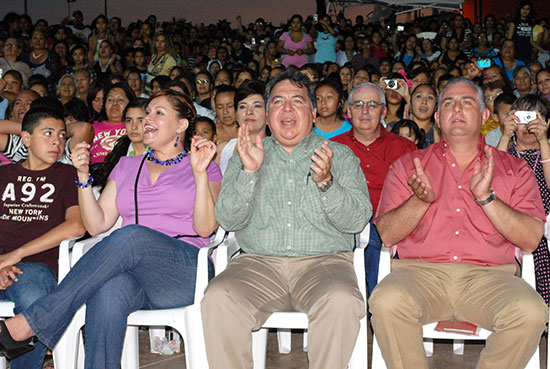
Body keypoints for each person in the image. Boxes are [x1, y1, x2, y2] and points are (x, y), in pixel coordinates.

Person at [0, 89, 221, 369]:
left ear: (181, 125)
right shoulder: (127, 165)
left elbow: (205, 229)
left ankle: (37, 320)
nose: (147, 119)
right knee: (109, 291)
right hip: (135, 272)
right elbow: (97, 224)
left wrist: (199, 174)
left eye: (158, 113)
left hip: (184, 271)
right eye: (147, 112)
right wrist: (82, 177)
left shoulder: (204, 165)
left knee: (133, 235)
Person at [370, 77, 548, 369]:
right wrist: (420, 201)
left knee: (530, 312)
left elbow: (530, 239)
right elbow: (387, 235)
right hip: (420, 275)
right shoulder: (409, 165)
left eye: (467, 102)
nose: (457, 109)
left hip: (490, 279)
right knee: (387, 302)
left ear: (485, 116)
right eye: (448, 103)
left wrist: (487, 198)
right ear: (438, 118)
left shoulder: (514, 169)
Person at [201, 69, 370, 369]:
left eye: (297, 100)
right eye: (278, 101)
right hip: (259, 265)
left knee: (341, 300)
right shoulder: (246, 153)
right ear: (267, 114)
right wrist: (249, 174)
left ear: (314, 112)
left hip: (324, 264)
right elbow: (226, 218)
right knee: (219, 297)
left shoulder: (341, 156)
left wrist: (327, 182)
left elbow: (357, 221)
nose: (288, 108)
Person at [0, 107, 84, 368]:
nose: (57, 141)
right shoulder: (3, 176)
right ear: (26, 138)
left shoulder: (67, 175)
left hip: (36, 267)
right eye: (47, 134)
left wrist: (16, 255)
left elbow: (76, 226)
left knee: (36, 301)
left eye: (61, 135)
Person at [332, 82, 416, 295]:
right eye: (358, 105)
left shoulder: (404, 148)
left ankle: (376, 302)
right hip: (346, 222)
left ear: (384, 110)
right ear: (349, 111)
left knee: (376, 235)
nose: (365, 111)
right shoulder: (332, 148)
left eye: (372, 104)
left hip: (388, 220)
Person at [496, 94, 550, 304]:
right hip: (508, 224)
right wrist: (505, 135)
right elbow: (493, 181)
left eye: (534, 118)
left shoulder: (547, 152)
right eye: (523, 118)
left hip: (543, 230)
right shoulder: (506, 152)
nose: (528, 126)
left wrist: (543, 140)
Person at [215, 80, 267, 174]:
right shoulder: (223, 149)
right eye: (243, 107)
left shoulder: (280, 150)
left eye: (256, 106)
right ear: (237, 114)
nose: (249, 112)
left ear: (268, 113)